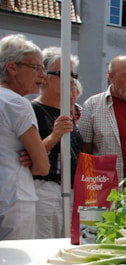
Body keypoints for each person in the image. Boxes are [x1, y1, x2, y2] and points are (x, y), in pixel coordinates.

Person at [0, 34, 50, 240]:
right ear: (12, 68)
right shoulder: (16, 103)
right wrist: (34, 157)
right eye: (36, 68)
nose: (43, 76)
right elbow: (42, 166)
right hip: (14, 196)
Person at [31, 46, 83, 239]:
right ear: (45, 76)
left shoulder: (68, 113)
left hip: (71, 190)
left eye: (73, 74)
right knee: (45, 246)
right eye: (64, 74)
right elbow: (28, 158)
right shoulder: (33, 110)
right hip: (46, 191)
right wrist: (54, 136)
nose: (71, 80)